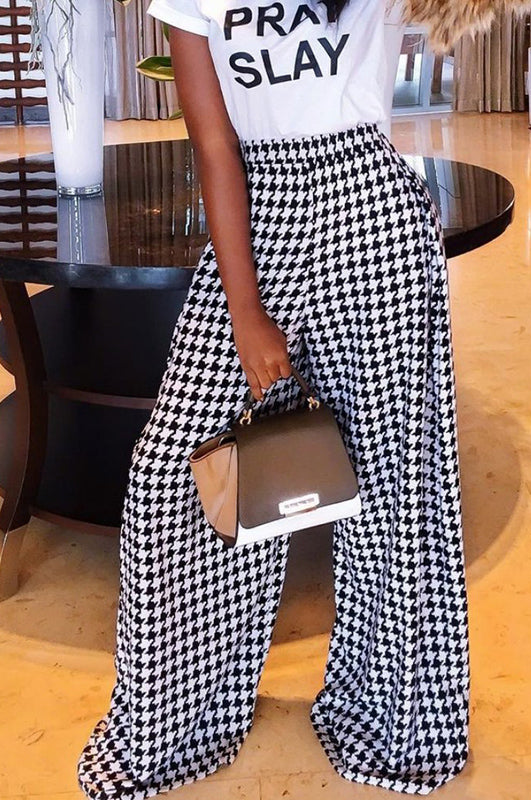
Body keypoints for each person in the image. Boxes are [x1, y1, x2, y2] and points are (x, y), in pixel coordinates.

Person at [77, 1, 471, 797]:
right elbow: (215, 146)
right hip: (259, 211)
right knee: (170, 477)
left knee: (395, 489)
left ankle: (398, 720)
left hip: (371, 212)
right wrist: (246, 309)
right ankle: (174, 722)